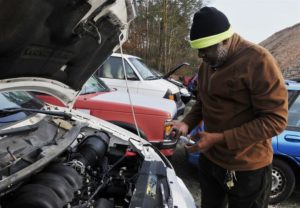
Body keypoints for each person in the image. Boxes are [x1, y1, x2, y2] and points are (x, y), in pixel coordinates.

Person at [171, 6, 288, 208]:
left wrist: (221, 138)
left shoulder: (259, 61)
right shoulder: (209, 62)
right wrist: (186, 123)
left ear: (225, 40)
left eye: (205, 49)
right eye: (198, 49)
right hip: (211, 162)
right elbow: (203, 100)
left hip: (248, 169)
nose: (200, 56)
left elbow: (275, 120)